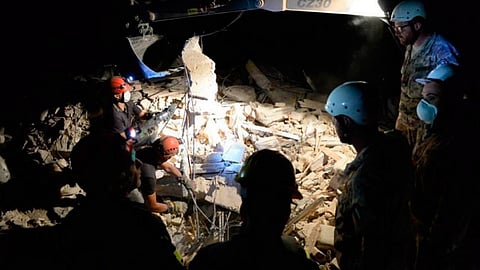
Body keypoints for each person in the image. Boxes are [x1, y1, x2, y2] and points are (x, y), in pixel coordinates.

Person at [54, 132, 186, 269]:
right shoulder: (147, 224)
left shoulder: (73, 223)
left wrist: (182, 177)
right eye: (133, 162)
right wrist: (171, 207)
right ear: (125, 176)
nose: (138, 165)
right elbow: (172, 262)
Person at [324, 81, 416, 270]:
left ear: (347, 122)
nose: (333, 124)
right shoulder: (395, 143)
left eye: (335, 119)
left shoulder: (363, 181)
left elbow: (373, 244)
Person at [188, 149, 318, 270]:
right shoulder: (301, 264)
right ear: (285, 212)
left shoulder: (209, 261)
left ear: (245, 206)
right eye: (285, 204)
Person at [411, 64, 479, 270]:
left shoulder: (458, 145)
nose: (423, 105)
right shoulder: (435, 129)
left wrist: (431, 245)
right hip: (423, 227)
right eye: (424, 97)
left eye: (432, 98)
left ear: (456, 99)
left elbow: (450, 207)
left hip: (441, 242)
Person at [390, 0, 460, 148]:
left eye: (400, 28)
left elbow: (453, 91)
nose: (397, 32)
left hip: (425, 128)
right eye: (395, 27)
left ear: (417, 25)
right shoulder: (410, 44)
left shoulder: (442, 50)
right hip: (404, 122)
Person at [135, 135, 183, 213]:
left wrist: (181, 177)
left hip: (125, 173)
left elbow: (167, 167)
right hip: (126, 189)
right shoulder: (149, 176)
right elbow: (152, 206)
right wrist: (171, 207)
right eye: (170, 156)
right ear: (166, 157)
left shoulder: (149, 151)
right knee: (141, 206)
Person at [107, 76, 148, 140]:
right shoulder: (114, 115)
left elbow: (139, 113)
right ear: (116, 96)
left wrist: (148, 115)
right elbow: (122, 136)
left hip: (129, 129)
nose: (128, 94)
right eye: (125, 92)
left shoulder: (128, 102)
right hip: (119, 140)